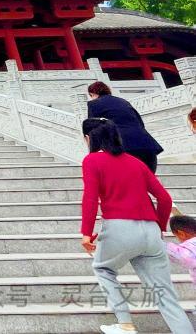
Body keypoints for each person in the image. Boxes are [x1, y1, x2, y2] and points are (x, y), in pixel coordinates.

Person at [79, 118, 192, 334]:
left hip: (119, 228)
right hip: (151, 231)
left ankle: (125, 324)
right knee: (164, 293)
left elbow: (91, 198)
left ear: (89, 138)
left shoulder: (92, 160)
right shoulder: (135, 162)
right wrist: (158, 227)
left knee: (103, 268)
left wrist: (86, 233)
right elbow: (165, 199)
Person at [87, 81, 162, 172]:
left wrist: (93, 153)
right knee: (147, 183)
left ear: (92, 93)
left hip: (123, 147)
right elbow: (140, 123)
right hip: (146, 145)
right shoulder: (123, 101)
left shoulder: (93, 104)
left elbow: (93, 128)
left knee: (128, 183)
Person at [166, 213, 196, 295]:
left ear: (181, 234)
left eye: (176, 236)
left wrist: (165, 246)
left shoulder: (191, 245)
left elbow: (185, 257)